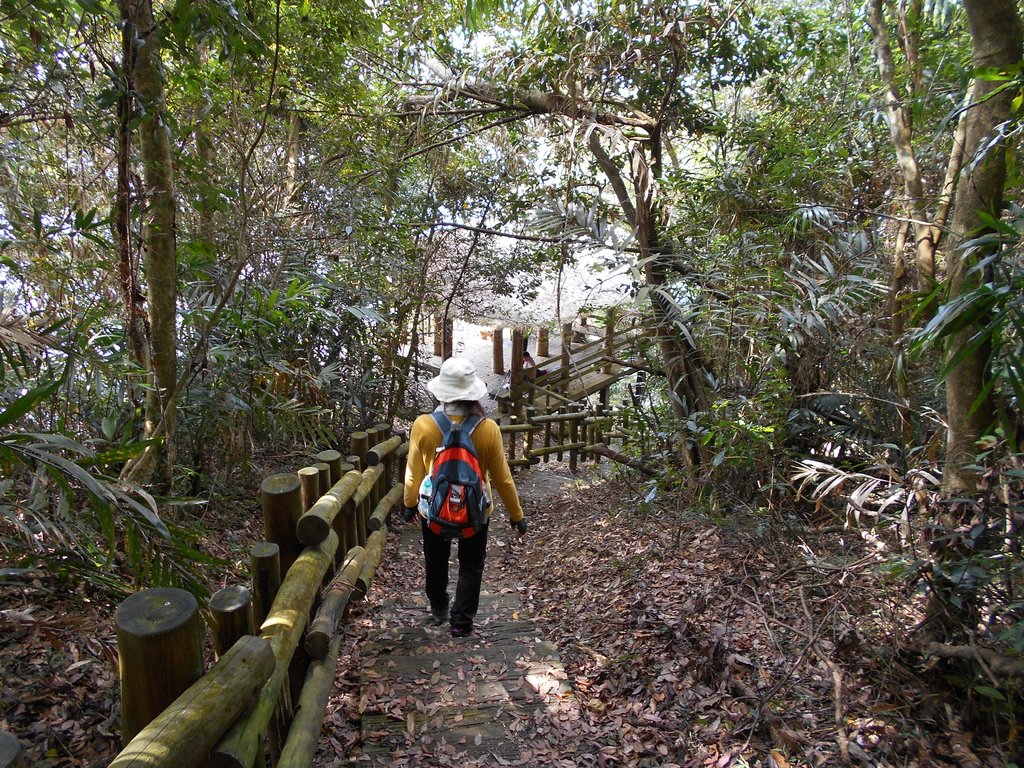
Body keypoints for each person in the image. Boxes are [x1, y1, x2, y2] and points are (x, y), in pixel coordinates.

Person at [403, 357, 528, 638]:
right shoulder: (488, 429)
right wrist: (516, 516)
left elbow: (412, 473)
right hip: (475, 511)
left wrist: (410, 504)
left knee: (435, 559)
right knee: (471, 565)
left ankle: (438, 608)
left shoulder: (423, 425)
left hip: (433, 510)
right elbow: (503, 479)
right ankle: (461, 623)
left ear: (441, 390)